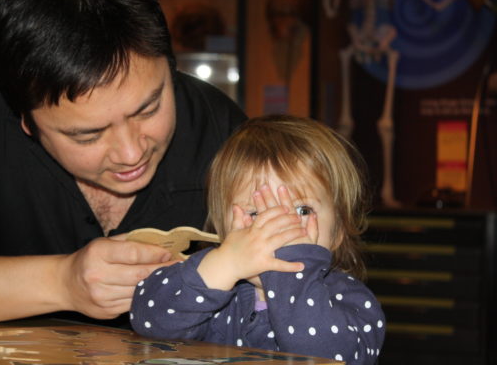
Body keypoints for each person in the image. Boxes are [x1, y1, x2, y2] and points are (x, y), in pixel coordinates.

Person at [0, 0, 246, 325]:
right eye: (88, 135)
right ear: (26, 121)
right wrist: (62, 282)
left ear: (170, 69)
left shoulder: (221, 130)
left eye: (149, 108)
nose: (131, 153)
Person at [131, 115, 385, 364]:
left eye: (302, 211)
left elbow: (329, 357)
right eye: (255, 213)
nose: (277, 228)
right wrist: (222, 266)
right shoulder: (214, 280)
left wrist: (292, 272)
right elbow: (149, 323)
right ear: (223, 228)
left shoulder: (350, 299)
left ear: (338, 231)